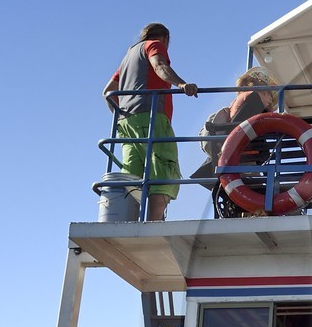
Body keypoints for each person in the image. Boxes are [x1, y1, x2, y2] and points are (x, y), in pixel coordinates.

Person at [103, 23, 197, 221]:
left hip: (127, 123)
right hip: (152, 117)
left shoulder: (129, 56)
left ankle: (127, 221)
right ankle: (154, 223)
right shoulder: (154, 45)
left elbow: (108, 92)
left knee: (132, 176)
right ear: (165, 38)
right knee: (162, 169)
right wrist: (181, 84)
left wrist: (121, 114)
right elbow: (160, 66)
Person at [195, 66, 278, 177]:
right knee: (259, 190)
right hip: (243, 159)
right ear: (263, 90)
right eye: (270, 96)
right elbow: (237, 128)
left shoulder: (242, 99)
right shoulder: (253, 98)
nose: (270, 102)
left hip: (238, 157)